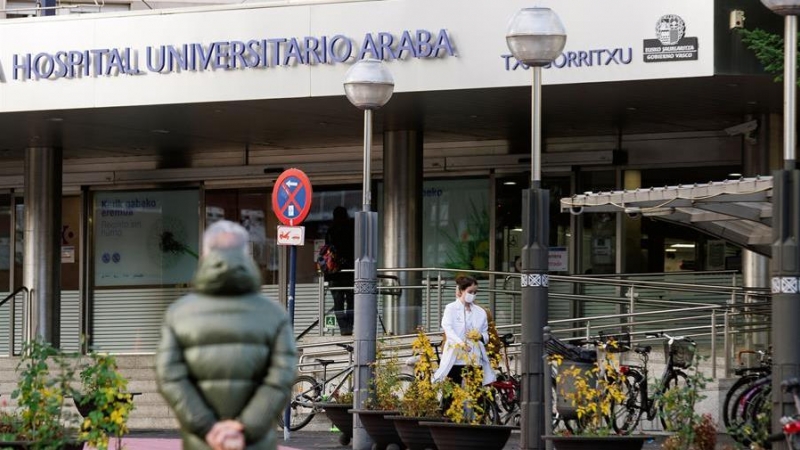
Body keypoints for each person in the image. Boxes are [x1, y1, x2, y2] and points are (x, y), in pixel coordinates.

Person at [155, 220, 297, 450]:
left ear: (206, 254)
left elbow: (169, 376)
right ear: (245, 255)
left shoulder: (179, 314)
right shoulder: (274, 314)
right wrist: (244, 427)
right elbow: (282, 377)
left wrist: (208, 427)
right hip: (255, 443)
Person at [433, 275, 496, 387]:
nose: (473, 295)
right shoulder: (451, 308)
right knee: (452, 392)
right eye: (470, 291)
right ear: (461, 290)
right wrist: (461, 343)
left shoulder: (480, 312)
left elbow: (486, 334)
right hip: (456, 358)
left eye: (475, 292)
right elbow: (448, 328)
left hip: (474, 357)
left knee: (477, 393)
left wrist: (480, 336)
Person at [325, 206, 355, 336]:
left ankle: (344, 328)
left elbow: (328, 250)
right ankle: (349, 326)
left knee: (338, 302)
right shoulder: (352, 229)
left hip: (334, 273)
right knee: (351, 300)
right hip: (350, 270)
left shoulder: (331, 231)